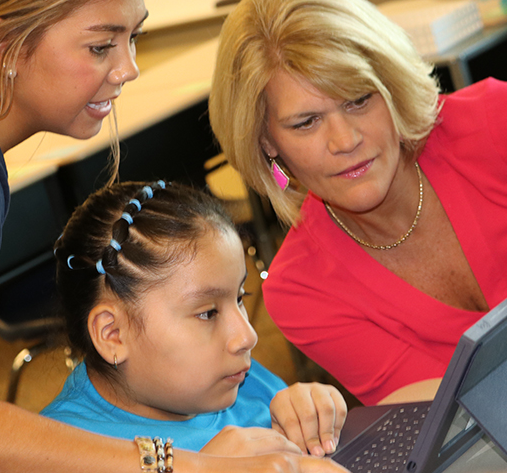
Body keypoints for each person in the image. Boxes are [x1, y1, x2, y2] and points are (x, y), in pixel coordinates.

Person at [0, 0, 350, 471]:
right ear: (5, 45)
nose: (128, 68)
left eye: (133, 37)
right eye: (100, 47)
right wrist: (198, 466)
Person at [208, 0, 507, 406]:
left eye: (359, 100)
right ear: (266, 141)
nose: (345, 140)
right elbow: (450, 415)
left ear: (390, 84)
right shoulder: (303, 292)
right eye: (306, 122)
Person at [42, 181, 347, 459]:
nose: (247, 337)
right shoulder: (61, 455)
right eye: (207, 313)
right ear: (113, 333)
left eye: (240, 297)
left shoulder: (240, 380)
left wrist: (307, 413)